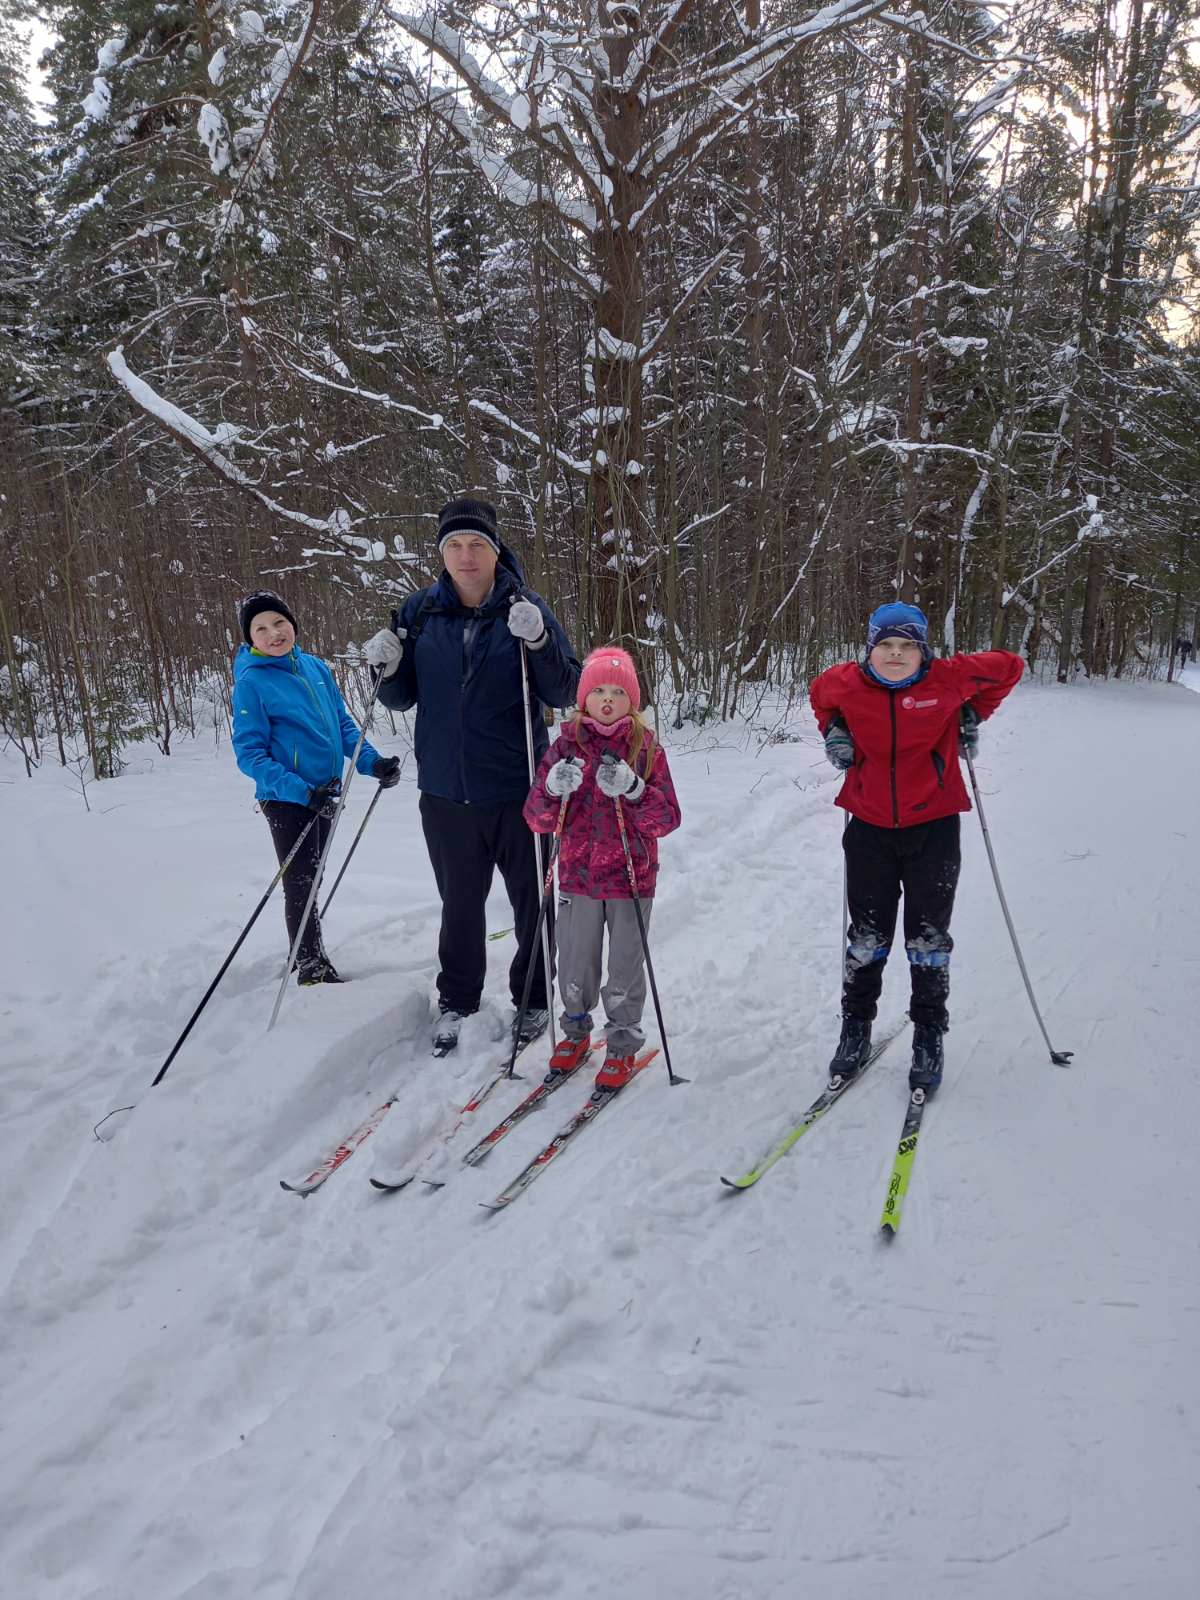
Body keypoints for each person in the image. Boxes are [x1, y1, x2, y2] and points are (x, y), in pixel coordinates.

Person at [362, 498, 580, 1054]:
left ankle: (532, 1000)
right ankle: (458, 999)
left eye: (476, 544)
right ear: (441, 553)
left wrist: (538, 640)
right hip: (444, 791)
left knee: (532, 899)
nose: (465, 555)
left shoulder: (525, 605)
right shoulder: (420, 612)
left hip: (519, 786)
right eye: (454, 545)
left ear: (494, 549)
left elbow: (564, 689)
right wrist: (384, 667)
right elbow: (401, 694)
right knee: (459, 903)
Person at [809, 603, 1023, 1095]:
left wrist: (973, 712)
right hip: (868, 827)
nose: (896, 654)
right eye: (886, 645)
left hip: (934, 827)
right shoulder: (844, 682)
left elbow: (1009, 668)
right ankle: (855, 1029)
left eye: (907, 645)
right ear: (870, 648)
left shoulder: (946, 678)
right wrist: (834, 731)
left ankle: (929, 1033)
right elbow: (820, 700)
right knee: (866, 937)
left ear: (923, 649)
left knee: (927, 939)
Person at [523, 646, 681, 1090]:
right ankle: (575, 1031)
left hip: (632, 878)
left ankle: (622, 1042)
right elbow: (535, 817)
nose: (607, 700)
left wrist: (634, 790)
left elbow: (667, 818)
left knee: (626, 964)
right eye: (598, 691)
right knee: (575, 960)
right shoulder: (565, 747)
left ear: (632, 700)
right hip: (577, 876)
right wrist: (553, 789)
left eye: (617, 691)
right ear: (583, 699)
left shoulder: (646, 749)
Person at [232, 590, 400, 985]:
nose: (274, 633)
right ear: (250, 638)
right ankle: (309, 964)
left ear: (292, 624)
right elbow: (249, 754)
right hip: (287, 800)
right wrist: (299, 790)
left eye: (279, 623)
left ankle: (306, 950)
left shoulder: (315, 668)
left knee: (313, 875)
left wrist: (371, 761)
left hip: (325, 793)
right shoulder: (252, 682)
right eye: (261, 628)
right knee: (301, 881)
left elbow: (340, 725)